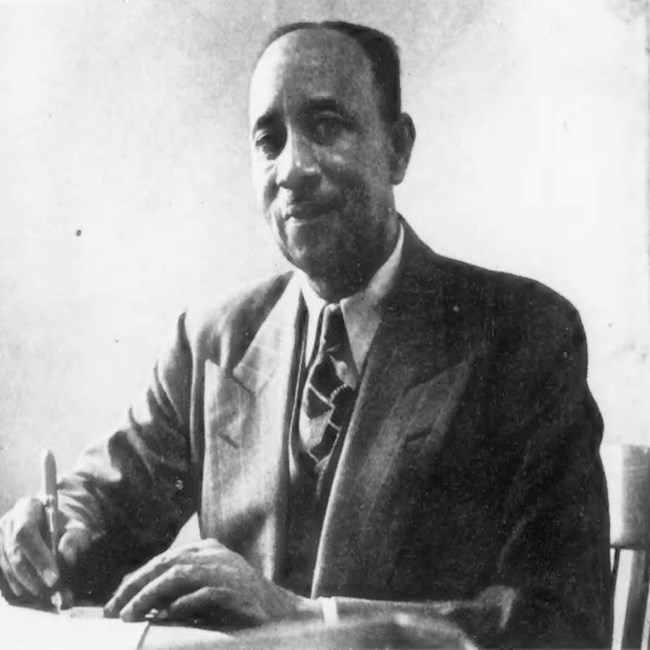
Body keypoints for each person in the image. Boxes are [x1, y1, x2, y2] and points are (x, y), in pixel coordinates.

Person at [0, 20, 611, 647]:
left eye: (326, 126)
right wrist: (54, 534)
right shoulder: (211, 343)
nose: (293, 168)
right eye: (269, 141)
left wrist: (301, 616)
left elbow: (560, 625)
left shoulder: (521, 336)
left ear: (398, 148)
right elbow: (99, 512)